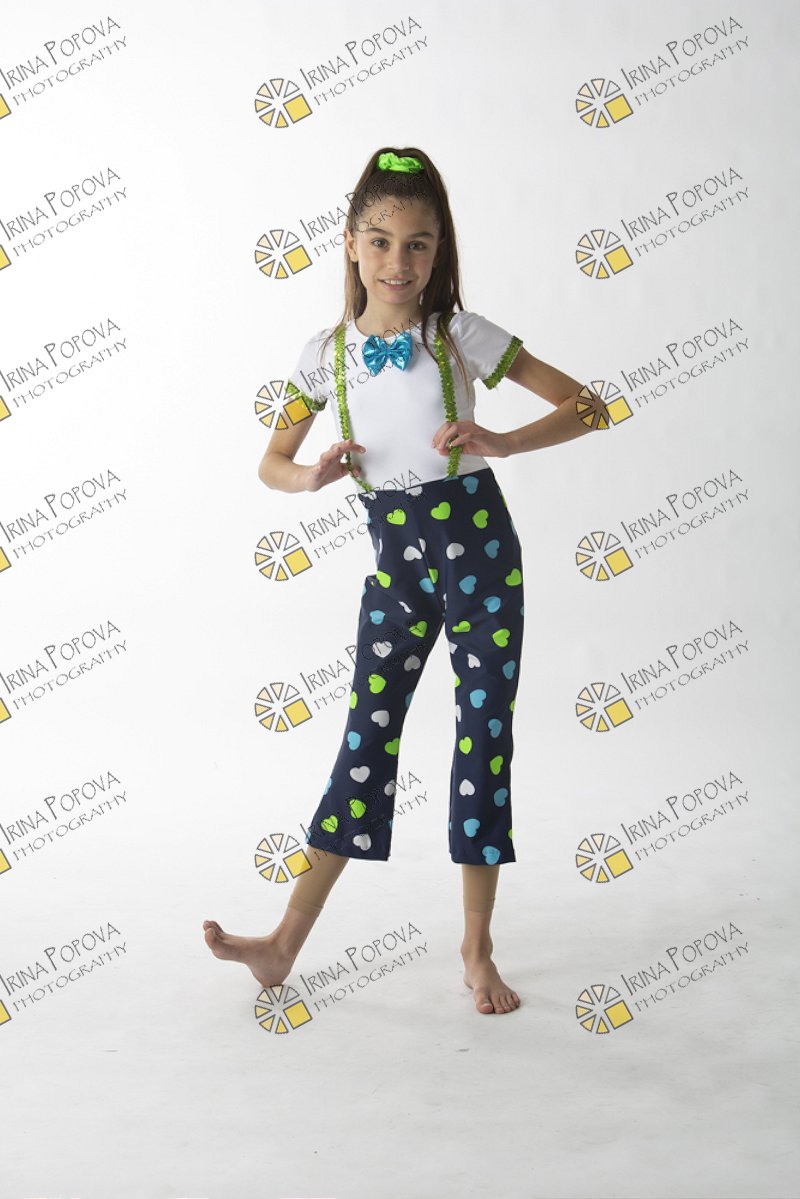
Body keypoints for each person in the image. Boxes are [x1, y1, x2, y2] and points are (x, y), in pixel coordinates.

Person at [204, 146, 609, 1015]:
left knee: (481, 737)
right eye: (382, 241)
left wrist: (502, 441)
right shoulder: (324, 356)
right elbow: (271, 461)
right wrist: (310, 477)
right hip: (397, 569)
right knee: (365, 739)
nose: (399, 262)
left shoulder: (459, 335)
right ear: (351, 244)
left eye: (419, 244)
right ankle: (281, 944)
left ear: (439, 250)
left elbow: (589, 403)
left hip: (481, 559)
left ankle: (476, 947)